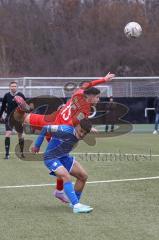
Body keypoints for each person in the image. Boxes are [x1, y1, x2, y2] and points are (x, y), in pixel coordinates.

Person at [13, 72, 115, 202]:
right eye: (97, 97)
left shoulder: (77, 94)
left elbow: (87, 85)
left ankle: (23, 110)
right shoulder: (85, 111)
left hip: (51, 121)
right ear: (90, 97)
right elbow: (76, 124)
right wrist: (88, 128)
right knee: (60, 160)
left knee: (24, 118)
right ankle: (61, 192)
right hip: (59, 132)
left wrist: (103, 79)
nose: (98, 100)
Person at [32, 119, 93, 213]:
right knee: (65, 176)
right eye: (81, 131)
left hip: (64, 157)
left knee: (83, 176)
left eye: (84, 134)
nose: (82, 135)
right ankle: (77, 206)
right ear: (77, 126)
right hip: (51, 157)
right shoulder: (65, 130)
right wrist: (37, 145)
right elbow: (45, 128)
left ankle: (74, 203)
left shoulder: (78, 134)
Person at [0, 81, 26, 159]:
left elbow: (26, 106)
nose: (13, 87)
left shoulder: (20, 95)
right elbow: (3, 107)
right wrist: (0, 115)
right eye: (12, 86)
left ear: (17, 87)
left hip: (19, 118)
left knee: (20, 135)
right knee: (8, 134)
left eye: (15, 86)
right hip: (9, 118)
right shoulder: (6, 95)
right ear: (9, 87)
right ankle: (7, 154)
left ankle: (21, 153)